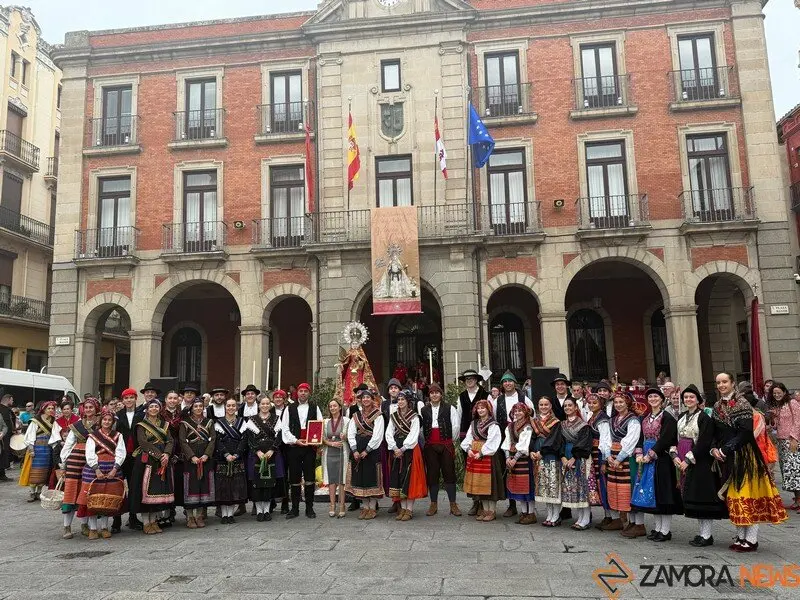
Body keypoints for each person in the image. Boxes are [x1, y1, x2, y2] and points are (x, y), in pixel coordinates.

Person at [710, 372, 787, 552]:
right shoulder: (716, 406)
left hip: (745, 454)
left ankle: (751, 538)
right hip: (727, 455)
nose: (721, 385)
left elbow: (745, 433)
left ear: (732, 383)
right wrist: (714, 448)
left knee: (747, 495)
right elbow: (715, 431)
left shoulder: (741, 403)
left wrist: (725, 449)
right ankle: (740, 536)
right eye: (718, 383)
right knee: (734, 497)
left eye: (724, 382)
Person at [670, 384, 728, 547]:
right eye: (686, 397)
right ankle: (701, 533)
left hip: (700, 461)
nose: (688, 400)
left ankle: (706, 534)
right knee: (692, 497)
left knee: (702, 498)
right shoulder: (681, 416)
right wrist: (674, 454)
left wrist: (688, 460)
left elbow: (703, 442)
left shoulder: (704, 418)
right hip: (682, 459)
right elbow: (676, 439)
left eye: (691, 397)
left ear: (698, 400)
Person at [629, 388, 683, 541]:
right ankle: (657, 528)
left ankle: (665, 531)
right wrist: (639, 453)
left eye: (655, 396)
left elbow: (666, 439)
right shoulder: (645, 418)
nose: (653, 399)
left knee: (663, 493)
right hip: (646, 457)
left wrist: (651, 454)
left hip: (662, 458)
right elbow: (640, 437)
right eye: (650, 396)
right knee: (652, 494)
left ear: (661, 399)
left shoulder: (667, 417)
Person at [130, 399, 175, 535]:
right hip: (147, 461)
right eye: (151, 406)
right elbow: (143, 443)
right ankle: (146, 523)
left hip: (162, 461)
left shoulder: (165, 424)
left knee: (157, 492)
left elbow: (170, 440)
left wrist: (167, 454)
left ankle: (154, 521)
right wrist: (159, 455)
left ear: (160, 409)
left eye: (156, 406)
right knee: (144, 492)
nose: (154, 409)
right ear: (147, 409)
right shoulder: (141, 425)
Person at [494, 371, 535, 518]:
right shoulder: (497, 400)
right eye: (505, 382)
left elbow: (532, 415)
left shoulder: (524, 398)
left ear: (514, 383)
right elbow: (493, 417)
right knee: (509, 472)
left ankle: (528, 509)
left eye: (510, 381)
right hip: (506, 434)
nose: (507, 384)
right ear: (502, 385)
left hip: (523, 434)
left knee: (524, 475)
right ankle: (512, 505)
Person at [599, 391, 641, 533]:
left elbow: (631, 440)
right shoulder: (612, 420)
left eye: (621, 402)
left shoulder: (633, 420)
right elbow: (605, 440)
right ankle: (622, 521)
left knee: (629, 489)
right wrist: (608, 456)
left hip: (627, 458)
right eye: (616, 402)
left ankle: (636, 523)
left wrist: (619, 458)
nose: (618, 405)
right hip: (613, 457)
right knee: (615, 488)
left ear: (627, 403)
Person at [58, 398, 100, 539]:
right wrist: (63, 464)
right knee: (71, 491)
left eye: (91, 407)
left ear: (96, 408)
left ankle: (85, 525)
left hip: (93, 460)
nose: (88, 410)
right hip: (76, 460)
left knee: (87, 491)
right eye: (86, 407)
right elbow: (68, 445)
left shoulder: (102, 424)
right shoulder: (76, 426)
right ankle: (66, 526)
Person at [81, 407, 126, 539]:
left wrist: (115, 469)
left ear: (112, 422)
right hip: (94, 469)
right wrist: (96, 469)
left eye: (109, 420)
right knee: (93, 499)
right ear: (100, 421)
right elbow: (89, 453)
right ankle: (93, 528)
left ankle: (105, 527)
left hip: (112, 468)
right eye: (104, 420)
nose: (106, 422)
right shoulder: (93, 436)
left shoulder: (118, 435)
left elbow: (121, 453)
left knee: (109, 499)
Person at [280, 382, 322, 519]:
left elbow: (319, 425)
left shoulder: (315, 408)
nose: (303, 393)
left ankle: (310, 508)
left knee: (310, 478)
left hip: (309, 448)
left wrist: (313, 440)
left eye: (305, 391)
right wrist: (295, 440)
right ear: (296, 393)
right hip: (294, 447)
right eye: (301, 391)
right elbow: (284, 427)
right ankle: (295, 508)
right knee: (294, 478)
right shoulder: (289, 408)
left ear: (309, 393)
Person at [420, 383, 461, 517]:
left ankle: (453, 504)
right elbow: (421, 430)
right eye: (432, 393)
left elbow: (455, 426)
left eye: (437, 392)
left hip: (446, 445)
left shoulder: (450, 408)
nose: (434, 395)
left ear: (441, 394)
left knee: (449, 473)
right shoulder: (424, 410)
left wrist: (449, 441)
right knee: (432, 474)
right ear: (429, 395)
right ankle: (433, 504)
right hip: (430, 446)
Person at [386, 390, 427, 521]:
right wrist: (394, 447)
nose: (400, 402)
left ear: (408, 401)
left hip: (409, 450)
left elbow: (414, 435)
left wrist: (403, 448)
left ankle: (409, 509)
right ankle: (402, 508)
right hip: (396, 450)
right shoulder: (394, 417)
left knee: (409, 479)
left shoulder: (414, 416)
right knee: (398, 479)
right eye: (398, 400)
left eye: (403, 399)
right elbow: (389, 433)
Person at [461, 398, 504, 521]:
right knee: (480, 483)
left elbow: (493, 442)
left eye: (483, 408)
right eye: (478, 408)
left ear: (488, 409)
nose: (480, 410)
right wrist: (468, 449)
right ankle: (485, 510)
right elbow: (469, 438)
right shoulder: (474, 423)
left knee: (489, 484)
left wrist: (481, 452)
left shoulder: (493, 425)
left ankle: (492, 511)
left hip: (488, 456)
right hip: (474, 455)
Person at [346, 388, 385, 519]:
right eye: (363, 398)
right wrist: (354, 449)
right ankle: (365, 507)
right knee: (360, 478)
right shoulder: (356, 415)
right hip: (358, 449)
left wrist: (367, 450)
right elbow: (351, 433)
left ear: (372, 400)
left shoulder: (378, 415)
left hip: (372, 450)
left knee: (371, 478)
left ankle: (373, 508)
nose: (366, 399)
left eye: (368, 397)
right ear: (360, 400)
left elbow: (378, 435)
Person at [179, 397, 216, 529]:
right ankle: (190, 516)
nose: (198, 408)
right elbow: (182, 441)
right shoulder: (185, 423)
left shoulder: (209, 422)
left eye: (201, 406)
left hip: (205, 458)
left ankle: (200, 515)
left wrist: (207, 454)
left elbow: (213, 440)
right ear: (191, 408)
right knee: (191, 486)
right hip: (191, 460)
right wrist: (192, 456)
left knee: (203, 485)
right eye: (196, 406)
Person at [243, 395, 281, 522]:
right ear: (258, 405)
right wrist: (257, 451)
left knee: (269, 483)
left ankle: (267, 510)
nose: (265, 406)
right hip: (256, 455)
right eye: (262, 404)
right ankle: (259, 511)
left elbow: (279, 436)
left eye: (267, 404)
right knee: (257, 483)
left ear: (270, 405)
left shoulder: (276, 419)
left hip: (271, 454)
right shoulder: (252, 420)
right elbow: (249, 437)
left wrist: (272, 449)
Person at [456, 369, 488, 517]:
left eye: (471, 378)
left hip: (483, 435)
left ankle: (484, 502)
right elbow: (459, 416)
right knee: (471, 468)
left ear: (476, 380)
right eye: (466, 379)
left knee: (483, 468)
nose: (469, 380)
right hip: (466, 435)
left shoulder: (485, 395)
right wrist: (459, 437)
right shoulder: (461, 396)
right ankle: (475, 502)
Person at [213, 398, 248, 524]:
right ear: (225, 407)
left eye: (233, 405)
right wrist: (226, 454)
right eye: (229, 405)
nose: (231, 408)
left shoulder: (242, 422)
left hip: (237, 458)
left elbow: (244, 440)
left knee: (235, 487)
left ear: (237, 408)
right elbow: (217, 441)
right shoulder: (218, 423)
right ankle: (224, 515)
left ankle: (231, 514)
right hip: (223, 458)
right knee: (224, 487)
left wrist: (237, 454)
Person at [114, 388, 144, 532]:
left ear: (135, 399)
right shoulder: (118, 416)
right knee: (118, 485)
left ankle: (133, 517)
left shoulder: (141, 414)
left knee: (134, 486)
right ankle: (116, 519)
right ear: (123, 400)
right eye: (126, 398)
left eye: (131, 397)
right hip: (121, 454)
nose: (129, 400)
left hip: (136, 454)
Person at [561, 397, 593, 530]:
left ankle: (585, 518)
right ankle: (579, 517)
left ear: (576, 407)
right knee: (573, 487)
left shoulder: (583, 425)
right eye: (565, 406)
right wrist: (562, 457)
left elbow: (584, 443)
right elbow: (559, 442)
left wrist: (574, 457)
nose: (568, 408)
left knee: (582, 487)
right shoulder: (562, 425)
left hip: (580, 457)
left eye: (570, 405)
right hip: (566, 455)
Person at [531, 396, 563, 527]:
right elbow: (532, 438)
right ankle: (549, 513)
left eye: (546, 405)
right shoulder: (534, 421)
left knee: (553, 485)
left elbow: (554, 441)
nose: (543, 407)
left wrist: (541, 452)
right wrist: (531, 451)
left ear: (550, 406)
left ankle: (556, 515)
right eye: (541, 404)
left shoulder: (556, 422)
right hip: (538, 455)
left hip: (550, 455)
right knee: (544, 486)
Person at [501, 402, 535, 524]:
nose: (517, 413)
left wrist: (515, 458)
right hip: (512, 459)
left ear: (525, 412)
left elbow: (524, 444)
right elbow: (507, 442)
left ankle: (531, 513)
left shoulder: (528, 426)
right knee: (519, 487)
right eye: (515, 411)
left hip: (524, 459)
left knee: (527, 487)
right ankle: (523, 512)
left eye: (520, 410)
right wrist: (507, 458)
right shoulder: (510, 426)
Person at [770, 382, 800, 512]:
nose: (777, 395)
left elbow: (798, 420)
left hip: (791, 440)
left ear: (784, 391)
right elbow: (776, 426)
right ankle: (797, 499)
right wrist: (773, 418)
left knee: (795, 470)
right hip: (781, 441)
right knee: (788, 472)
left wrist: (794, 438)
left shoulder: (792, 403)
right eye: (774, 393)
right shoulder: (778, 406)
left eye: (778, 392)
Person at [22, 401, 56, 501]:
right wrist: (31, 449)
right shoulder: (36, 420)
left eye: (52, 408)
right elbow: (30, 435)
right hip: (37, 449)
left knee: (44, 471)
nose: (51, 410)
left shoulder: (53, 420)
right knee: (34, 470)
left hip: (47, 449)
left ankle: (39, 491)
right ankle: (32, 492)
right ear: (44, 409)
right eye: (49, 408)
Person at [322, 398, 349, 518]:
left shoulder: (347, 421)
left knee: (342, 480)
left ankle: (342, 505)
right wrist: (330, 443)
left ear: (339, 407)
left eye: (335, 406)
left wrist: (346, 436)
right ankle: (332, 505)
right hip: (329, 452)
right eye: (330, 406)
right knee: (331, 480)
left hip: (342, 452)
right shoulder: (325, 422)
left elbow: (351, 436)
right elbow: (321, 438)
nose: (332, 408)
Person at [160, 390, 183, 528]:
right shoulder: (161, 414)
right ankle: (164, 513)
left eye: (175, 398)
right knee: (165, 482)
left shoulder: (182, 414)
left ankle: (173, 509)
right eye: (170, 398)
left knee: (177, 482)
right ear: (166, 400)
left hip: (179, 450)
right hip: (165, 449)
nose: (173, 400)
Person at [271, 388, 290, 514]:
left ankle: (285, 502)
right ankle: (271, 501)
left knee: (284, 474)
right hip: (271, 445)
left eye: (280, 397)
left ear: (284, 399)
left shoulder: (288, 410)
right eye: (276, 397)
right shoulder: (269, 410)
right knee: (271, 472)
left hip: (285, 446)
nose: (278, 399)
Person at [0, 394, 14, 481]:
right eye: (12, 400)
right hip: (5, 438)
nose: (12, 402)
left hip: (3, 437)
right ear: (8, 400)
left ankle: (2, 474)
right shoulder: (3, 410)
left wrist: (2, 433)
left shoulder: (4, 412)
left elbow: (5, 425)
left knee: (2, 456)